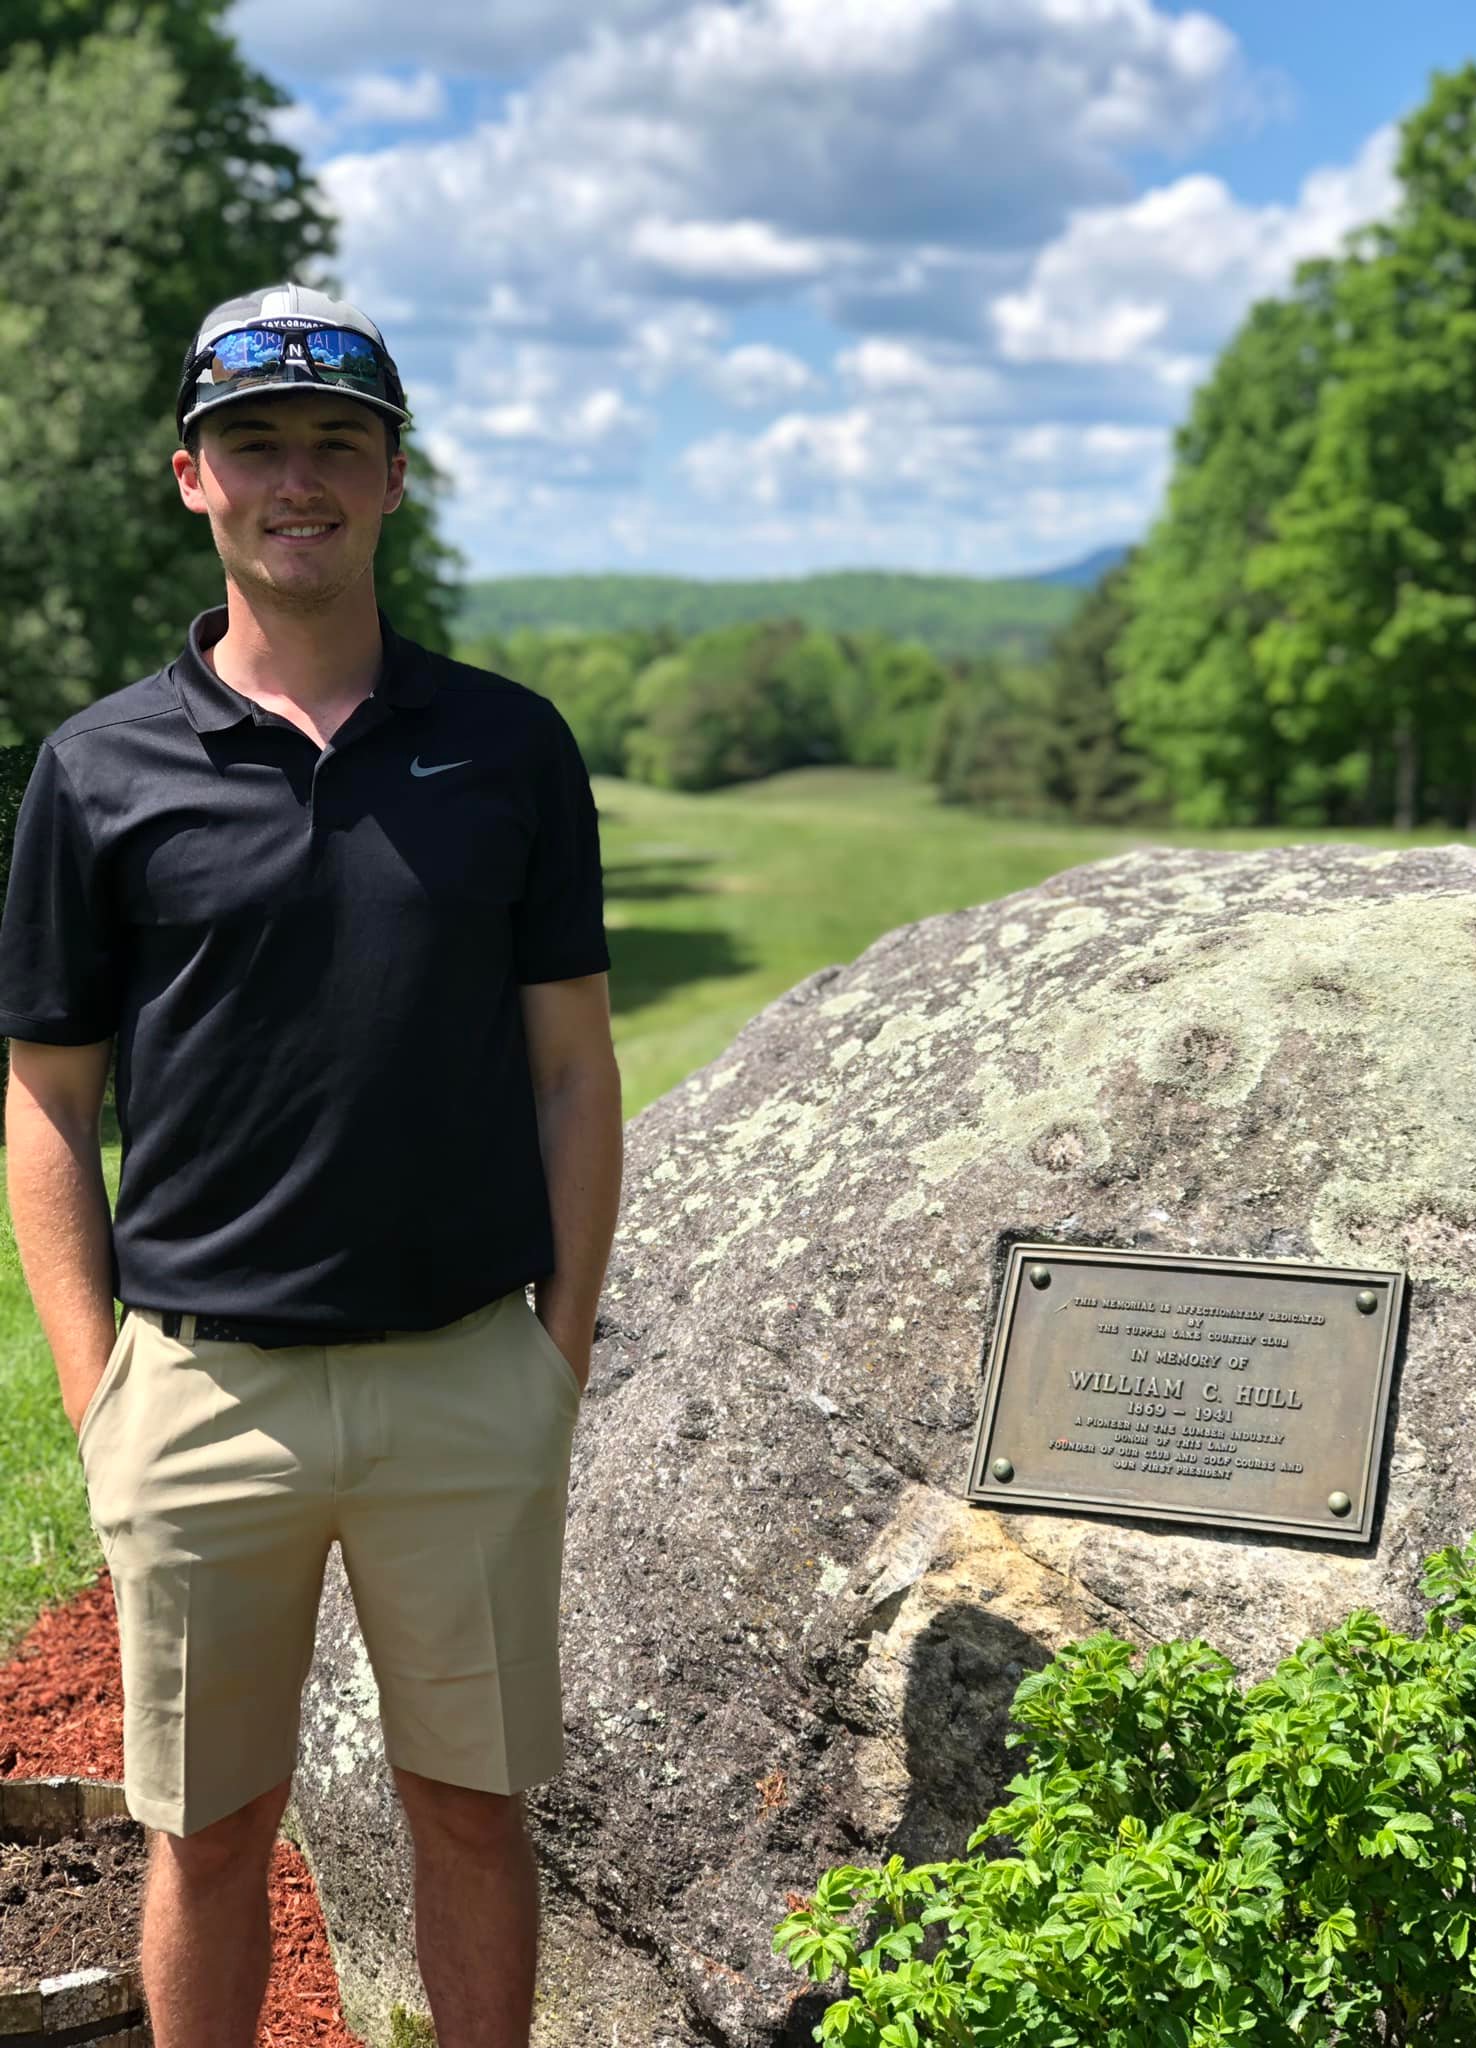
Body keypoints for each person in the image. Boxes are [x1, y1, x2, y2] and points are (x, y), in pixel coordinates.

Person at [0, 282, 624, 2047]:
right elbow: (46, 1103)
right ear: (189, 476)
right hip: (202, 1395)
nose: (299, 479)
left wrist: (550, 1357)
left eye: (336, 446)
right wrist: (97, 1391)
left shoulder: (508, 745)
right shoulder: (99, 769)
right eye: (255, 444)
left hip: (462, 1381)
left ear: (395, 479)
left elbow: (573, 1070)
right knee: (205, 1835)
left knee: (474, 1811)